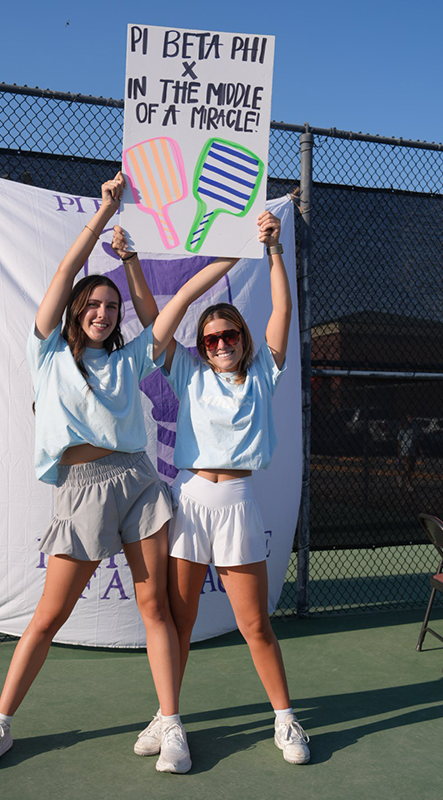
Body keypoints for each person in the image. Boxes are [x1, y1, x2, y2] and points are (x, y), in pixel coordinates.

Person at [0, 173, 240, 774]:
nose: (101, 311)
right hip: (81, 493)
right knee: (48, 617)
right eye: (91, 304)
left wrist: (228, 256)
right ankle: (0, 723)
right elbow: (66, 275)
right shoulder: (47, 351)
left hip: (138, 483)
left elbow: (181, 302)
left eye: (110, 306)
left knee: (156, 609)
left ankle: (171, 726)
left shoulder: (131, 356)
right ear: (74, 312)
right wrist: (105, 215)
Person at [112, 209, 310, 767]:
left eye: (229, 334)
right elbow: (155, 317)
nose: (221, 342)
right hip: (191, 503)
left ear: (243, 340)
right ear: (201, 345)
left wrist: (273, 251)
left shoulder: (265, 371)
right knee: (180, 622)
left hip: (238, 506)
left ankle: (285, 720)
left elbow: (283, 311)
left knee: (254, 625)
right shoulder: (188, 371)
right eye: (212, 337)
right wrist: (130, 261)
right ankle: (167, 717)